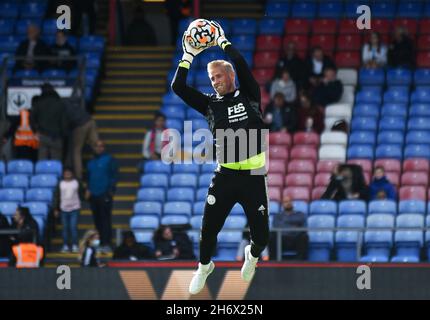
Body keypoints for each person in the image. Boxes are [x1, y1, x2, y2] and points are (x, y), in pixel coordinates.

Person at [171, 21, 270, 294]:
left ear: (231, 76)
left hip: (253, 176)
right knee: (207, 232)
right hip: (225, 174)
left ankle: (252, 255)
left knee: (262, 237)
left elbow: (239, 61)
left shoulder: (251, 95)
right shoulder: (209, 104)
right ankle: (204, 266)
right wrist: (188, 56)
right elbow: (178, 87)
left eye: (218, 76)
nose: (214, 82)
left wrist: (223, 41)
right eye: (211, 79)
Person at [85, 140, 118, 253]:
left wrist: (110, 191)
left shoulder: (109, 159)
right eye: (97, 146)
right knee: (96, 220)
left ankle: (107, 243)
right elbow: (88, 177)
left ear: (104, 148)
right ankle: (98, 243)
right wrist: (88, 189)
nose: (99, 148)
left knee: (105, 220)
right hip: (93, 194)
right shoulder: (90, 162)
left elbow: (114, 175)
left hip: (105, 193)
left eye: (101, 146)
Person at [30, 83, 69, 161]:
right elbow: (64, 121)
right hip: (57, 137)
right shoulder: (60, 103)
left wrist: (35, 131)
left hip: (43, 135)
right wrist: (64, 135)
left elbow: (32, 119)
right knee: (56, 162)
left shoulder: (39, 103)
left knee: (42, 162)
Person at [64, 100, 99, 180]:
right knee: (97, 147)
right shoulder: (69, 103)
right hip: (90, 120)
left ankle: (79, 177)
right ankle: (100, 170)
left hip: (79, 125)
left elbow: (65, 121)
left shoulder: (61, 106)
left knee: (77, 151)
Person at [54, 167, 85, 253]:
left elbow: (82, 192)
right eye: (66, 173)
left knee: (73, 227)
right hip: (63, 208)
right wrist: (56, 208)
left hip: (75, 208)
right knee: (65, 228)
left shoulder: (76, 182)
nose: (67, 174)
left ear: (72, 173)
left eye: (69, 172)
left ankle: (75, 245)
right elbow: (57, 196)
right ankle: (65, 245)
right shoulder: (60, 183)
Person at [270, 196, 308, 260]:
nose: (288, 203)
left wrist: (286, 225)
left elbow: (303, 228)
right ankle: (273, 262)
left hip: (296, 239)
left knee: (304, 236)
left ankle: (300, 262)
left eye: (290, 201)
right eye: (285, 202)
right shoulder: (277, 216)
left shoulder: (300, 214)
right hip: (282, 240)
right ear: (282, 204)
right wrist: (294, 227)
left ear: (292, 203)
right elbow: (276, 227)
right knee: (272, 235)